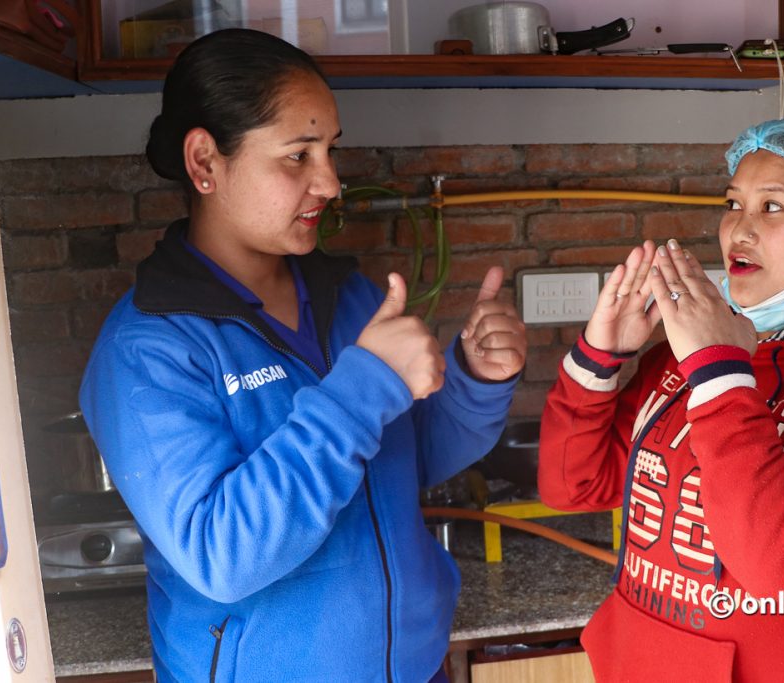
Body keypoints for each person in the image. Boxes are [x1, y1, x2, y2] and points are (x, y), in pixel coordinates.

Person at [79, 29, 526, 682]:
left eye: (330, 151)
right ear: (205, 162)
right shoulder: (147, 350)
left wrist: (478, 379)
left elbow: (412, 456)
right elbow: (221, 553)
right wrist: (363, 387)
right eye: (298, 155)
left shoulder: (350, 298)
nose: (331, 182)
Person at [538, 116, 784, 682]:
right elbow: (573, 485)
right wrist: (597, 359)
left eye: (772, 207)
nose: (738, 231)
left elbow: (780, 564)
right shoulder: (697, 352)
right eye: (733, 204)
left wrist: (722, 378)